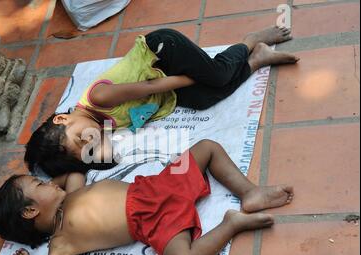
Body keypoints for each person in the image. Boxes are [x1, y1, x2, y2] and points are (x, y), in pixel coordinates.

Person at [0, 139, 294, 255]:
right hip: (154, 222)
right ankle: (231, 224)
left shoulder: (69, 194)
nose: (50, 183)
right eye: (40, 185)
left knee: (207, 148)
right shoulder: (61, 244)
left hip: (158, 185)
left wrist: (50, 187)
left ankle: (249, 192)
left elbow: (75, 172)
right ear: (30, 212)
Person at [24, 26, 299, 177]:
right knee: (205, 99)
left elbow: (149, 85)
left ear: (62, 118)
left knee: (217, 75)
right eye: (90, 144)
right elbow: (104, 156)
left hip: (163, 51)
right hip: (165, 82)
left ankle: (249, 40)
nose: (92, 137)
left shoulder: (98, 98)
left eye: (81, 137)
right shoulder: (97, 127)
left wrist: (190, 79)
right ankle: (256, 60)